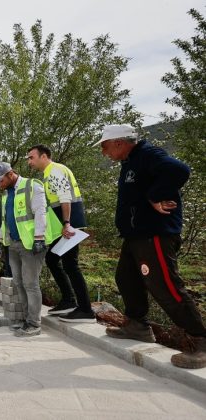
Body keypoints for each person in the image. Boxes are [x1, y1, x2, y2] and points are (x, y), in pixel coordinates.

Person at [95, 124, 206, 369]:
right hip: (137, 236)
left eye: (104, 146)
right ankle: (138, 325)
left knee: (164, 285)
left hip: (154, 235)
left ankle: (200, 339)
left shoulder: (148, 155)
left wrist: (156, 195)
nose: (104, 152)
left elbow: (179, 170)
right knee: (125, 277)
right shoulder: (130, 162)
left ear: (118, 142)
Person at [0, 162, 61, 337]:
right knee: (19, 282)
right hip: (13, 244)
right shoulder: (7, 195)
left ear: (10, 174)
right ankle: (23, 319)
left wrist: (39, 238)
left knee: (30, 283)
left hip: (31, 244)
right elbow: (7, 222)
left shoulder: (32, 185)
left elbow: (40, 212)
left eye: (0, 181)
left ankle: (34, 323)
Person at [27, 145, 94, 322]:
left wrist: (67, 223)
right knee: (52, 259)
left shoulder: (56, 170)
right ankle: (68, 300)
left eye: (32, 157)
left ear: (44, 156)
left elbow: (65, 198)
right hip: (61, 224)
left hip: (68, 224)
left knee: (70, 264)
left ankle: (85, 310)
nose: (29, 161)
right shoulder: (48, 174)